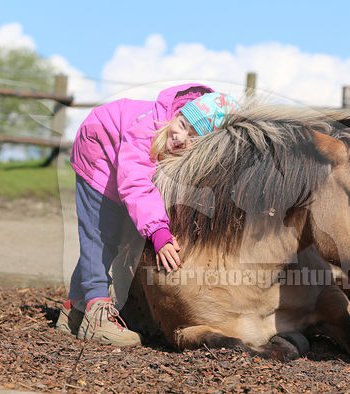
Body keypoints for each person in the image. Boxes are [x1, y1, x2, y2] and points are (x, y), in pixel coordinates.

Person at [56, 84, 239, 346]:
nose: (180, 137)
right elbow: (135, 183)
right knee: (100, 234)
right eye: (183, 124)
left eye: (193, 138)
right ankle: (96, 316)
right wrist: (158, 231)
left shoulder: (173, 139)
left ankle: (73, 312)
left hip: (117, 151)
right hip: (98, 147)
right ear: (177, 114)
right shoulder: (148, 128)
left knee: (114, 236)